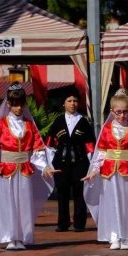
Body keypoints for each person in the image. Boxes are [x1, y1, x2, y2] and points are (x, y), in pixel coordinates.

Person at [0, 83, 55, 250]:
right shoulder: (1, 124)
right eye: (15, 104)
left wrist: (45, 166)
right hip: (7, 169)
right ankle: (10, 237)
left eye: (21, 104)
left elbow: (38, 150)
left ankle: (22, 237)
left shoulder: (29, 125)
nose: (18, 107)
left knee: (24, 203)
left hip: (25, 169)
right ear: (8, 104)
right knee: (8, 203)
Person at [82, 88, 128, 249]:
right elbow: (100, 153)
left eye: (125, 112)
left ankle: (126, 236)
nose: (122, 115)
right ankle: (114, 235)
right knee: (111, 203)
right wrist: (94, 170)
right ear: (112, 111)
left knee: (127, 203)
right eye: (118, 112)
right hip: (109, 173)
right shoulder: (106, 130)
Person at [46, 87, 96, 232]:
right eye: (69, 101)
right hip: (61, 162)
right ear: (64, 104)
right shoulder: (58, 121)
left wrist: (91, 165)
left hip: (80, 162)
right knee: (62, 192)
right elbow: (49, 144)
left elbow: (90, 146)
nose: (72, 103)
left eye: (75, 101)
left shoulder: (84, 121)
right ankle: (63, 223)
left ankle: (79, 223)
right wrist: (49, 163)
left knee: (79, 192)